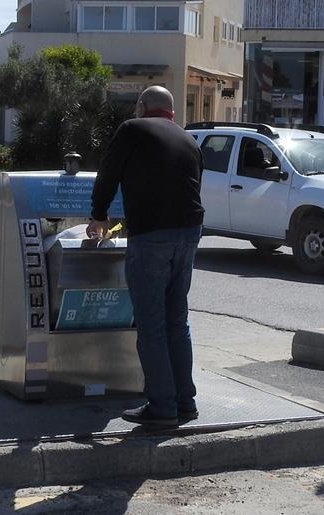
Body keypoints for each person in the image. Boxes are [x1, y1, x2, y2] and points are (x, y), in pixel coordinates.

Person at [88, 86, 204, 428]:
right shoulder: (189, 139)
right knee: (176, 320)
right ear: (170, 112)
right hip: (189, 232)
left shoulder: (132, 129)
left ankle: (162, 407)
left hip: (152, 234)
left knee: (151, 323)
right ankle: (185, 402)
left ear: (142, 106)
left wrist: (98, 215)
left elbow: (109, 173)